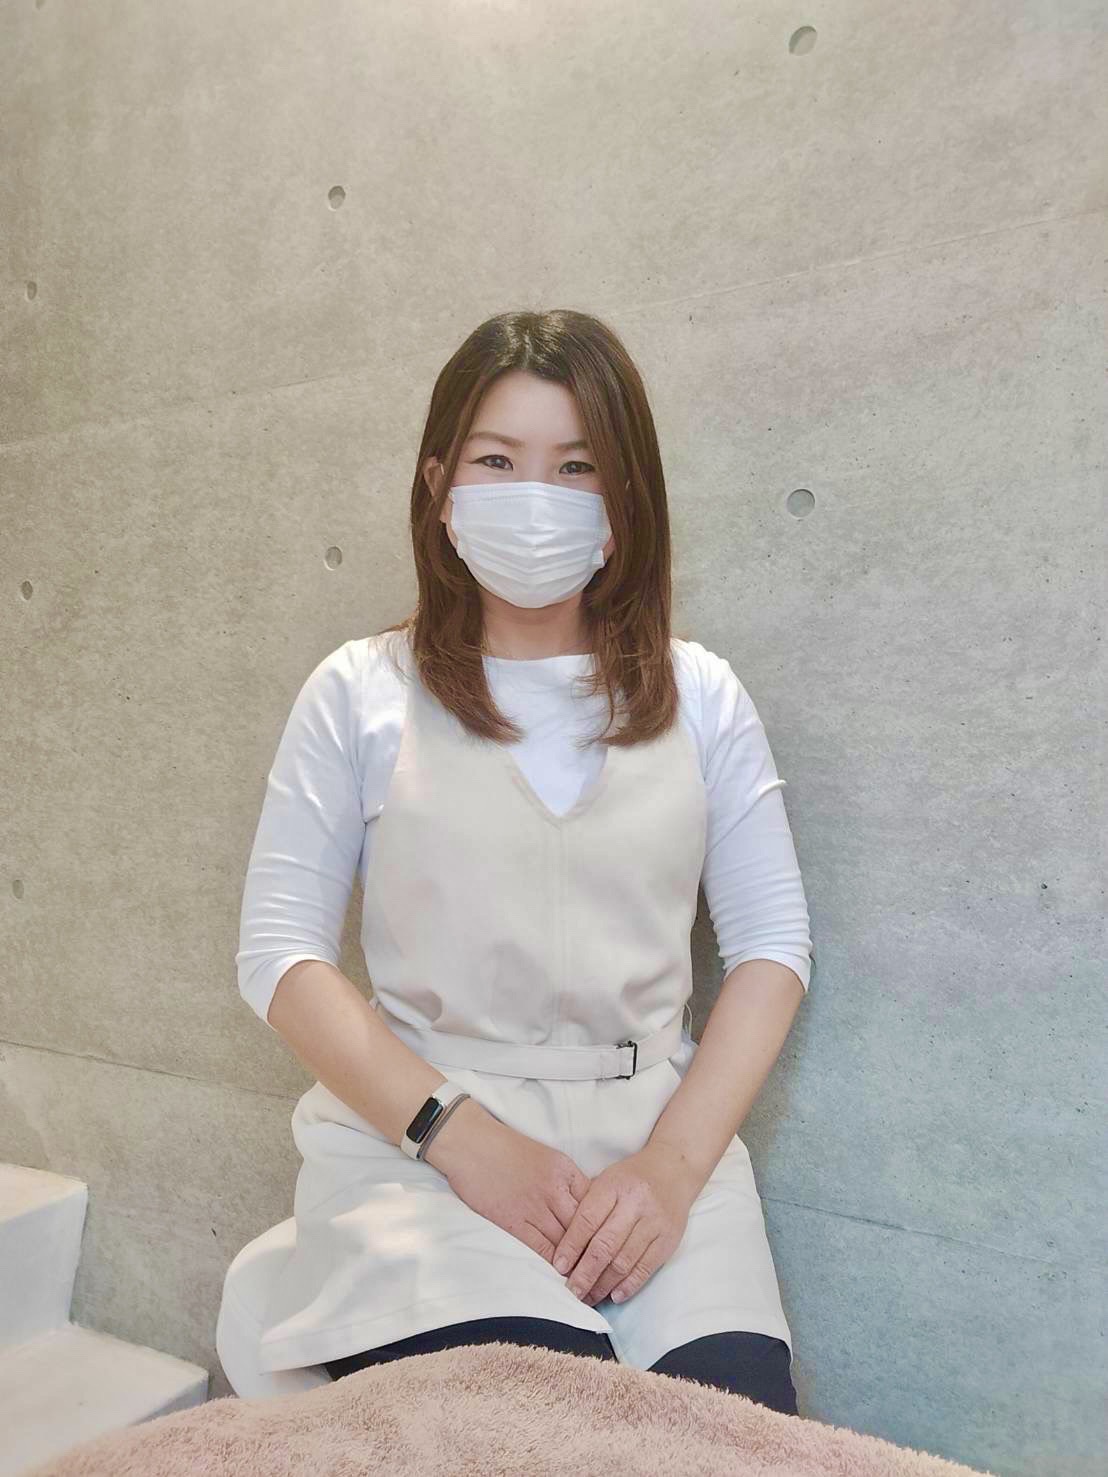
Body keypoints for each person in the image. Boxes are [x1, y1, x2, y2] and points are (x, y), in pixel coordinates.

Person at [235, 309, 812, 1417]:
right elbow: (279, 956)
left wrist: (670, 1170)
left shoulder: (703, 697)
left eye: (576, 465)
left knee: (733, 1434)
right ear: (440, 485)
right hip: (421, 1157)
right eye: (498, 461)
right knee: (548, 1425)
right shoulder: (360, 691)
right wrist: (456, 1136)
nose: (535, 495)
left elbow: (772, 949)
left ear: (625, 498)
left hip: (658, 1150)